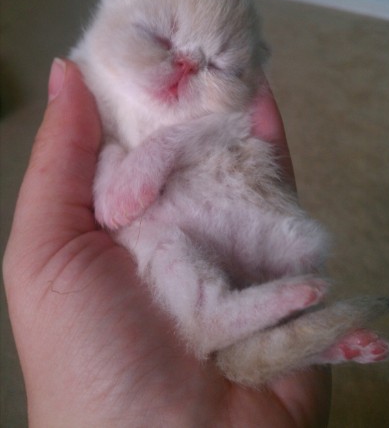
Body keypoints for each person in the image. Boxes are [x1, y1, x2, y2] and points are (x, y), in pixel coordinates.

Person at [3, 59, 331, 427]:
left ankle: (294, 335)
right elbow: (114, 198)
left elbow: (234, 124)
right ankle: (233, 316)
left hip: (222, 198)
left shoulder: (207, 100)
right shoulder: (113, 104)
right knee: (168, 250)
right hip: (169, 230)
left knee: (302, 248)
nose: (184, 68)